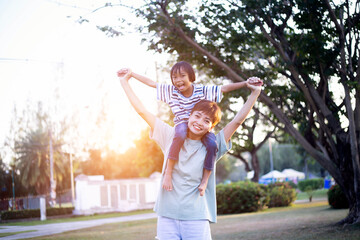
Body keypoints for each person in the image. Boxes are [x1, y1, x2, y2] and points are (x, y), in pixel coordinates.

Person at [118, 68, 262, 239]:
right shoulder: (170, 136)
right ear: (189, 115)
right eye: (197, 116)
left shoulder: (213, 145)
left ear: (212, 126)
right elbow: (142, 111)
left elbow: (237, 121)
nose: (199, 122)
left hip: (196, 218)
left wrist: (255, 93)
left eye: (206, 120)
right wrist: (124, 82)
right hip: (167, 216)